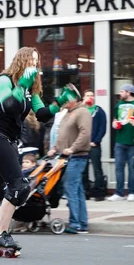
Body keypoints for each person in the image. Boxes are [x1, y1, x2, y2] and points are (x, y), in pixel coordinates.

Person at [0, 47, 63, 257]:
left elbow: (42, 115)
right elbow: (8, 105)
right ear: (21, 61)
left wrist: (58, 103)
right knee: (19, 187)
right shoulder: (4, 80)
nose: (34, 66)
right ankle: (1, 234)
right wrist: (22, 83)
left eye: (36, 62)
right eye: (30, 61)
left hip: (9, 140)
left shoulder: (29, 89)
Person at [50, 90, 91, 234]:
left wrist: (72, 148)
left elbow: (85, 133)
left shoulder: (82, 112)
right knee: (77, 189)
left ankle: (76, 223)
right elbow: (62, 134)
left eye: (65, 101)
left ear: (73, 100)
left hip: (77, 156)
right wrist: (55, 148)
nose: (63, 103)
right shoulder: (68, 112)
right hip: (68, 156)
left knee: (70, 187)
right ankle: (82, 223)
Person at [108, 84, 134, 202]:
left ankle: (132, 192)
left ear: (128, 92)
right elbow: (115, 119)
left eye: (121, 91)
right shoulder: (119, 104)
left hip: (133, 140)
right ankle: (119, 192)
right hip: (119, 139)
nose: (119, 94)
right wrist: (114, 123)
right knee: (119, 167)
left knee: (132, 167)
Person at [82, 89, 107, 202]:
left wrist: (96, 141)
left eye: (92, 95)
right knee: (83, 169)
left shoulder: (99, 111)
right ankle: (85, 192)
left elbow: (102, 128)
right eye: (87, 95)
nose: (90, 97)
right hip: (82, 145)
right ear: (83, 97)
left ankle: (99, 193)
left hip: (94, 145)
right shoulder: (80, 110)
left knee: (97, 169)